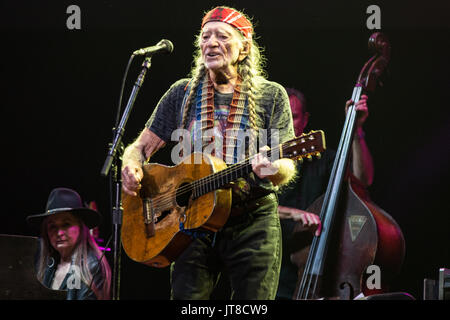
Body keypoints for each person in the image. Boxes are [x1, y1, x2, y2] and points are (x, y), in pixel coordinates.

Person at [121, 6, 296, 299]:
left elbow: (287, 164)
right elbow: (138, 148)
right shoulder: (182, 92)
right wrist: (131, 165)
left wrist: (273, 168)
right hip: (191, 222)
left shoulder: (271, 95)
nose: (211, 43)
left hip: (251, 221)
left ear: (244, 48)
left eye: (222, 36)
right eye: (205, 37)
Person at [275, 87, 374, 299]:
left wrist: (355, 130)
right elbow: (254, 207)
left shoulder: (324, 160)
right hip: (273, 272)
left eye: (293, 117)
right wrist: (295, 214)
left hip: (316, 270)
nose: (286, 124)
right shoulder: (263, 163)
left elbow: (363, 179)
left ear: (305, 120)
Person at [26, 187, 112, 300]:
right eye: (52, 226)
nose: (59, 232)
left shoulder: (89, 265)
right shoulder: (48, 264)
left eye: (66, 224)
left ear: (81, 227)